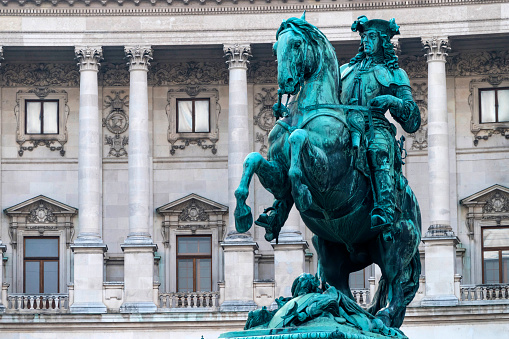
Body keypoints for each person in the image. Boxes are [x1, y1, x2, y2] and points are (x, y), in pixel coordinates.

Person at [341, 15, 421, 239]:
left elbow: (412, 118)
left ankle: (385, 209)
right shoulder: (344, 71)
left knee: (378, 150)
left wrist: (392, 101)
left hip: (375, 127)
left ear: (383, 41)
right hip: (344, 126)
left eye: (372, 36)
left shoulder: (395, 74)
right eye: (364, 36)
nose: (366, 41)